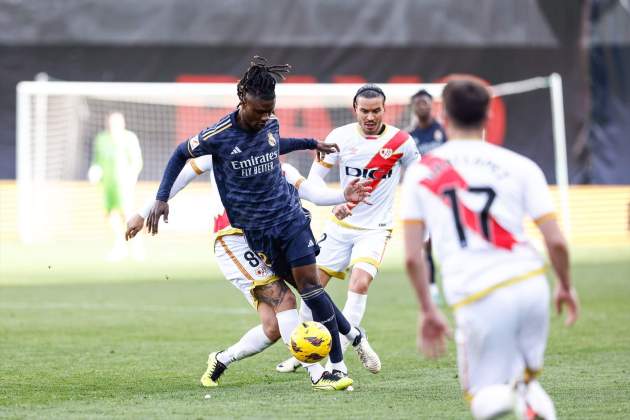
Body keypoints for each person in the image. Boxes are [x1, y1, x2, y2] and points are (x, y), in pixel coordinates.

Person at [145, 56, 380, 390]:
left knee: (311, 289)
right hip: (255, 234)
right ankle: (351, 338)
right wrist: (161, 197)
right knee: (289, 304)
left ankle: (333, 369)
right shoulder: (220, 135)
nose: (265, 117)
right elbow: (181, 153)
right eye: (259, 111)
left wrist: (310, 143)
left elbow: (274, 144)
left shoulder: (269, 122)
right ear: (243, 101)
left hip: (290, 219)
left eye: (270, 110)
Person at [401, 78, 579, 420]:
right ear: (488, 117)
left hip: (477, 293)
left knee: (485, 396)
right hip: (530, 285)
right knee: (525, 383)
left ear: (445, 116)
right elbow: (556, 240)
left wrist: (427, 310)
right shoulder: (520, 165)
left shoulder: (422, 172)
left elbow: (412, 256)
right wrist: (567, 286)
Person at [126, 155, 370, 390]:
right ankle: (319, 376)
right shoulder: (222, 145)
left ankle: (222, 359)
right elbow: (183, 174)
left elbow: (313, 194)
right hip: (232, 238)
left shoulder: (276, 161)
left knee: (274, 326)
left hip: (266, 239)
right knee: (284, 299)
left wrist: (342, 196)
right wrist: (142, 212)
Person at [276, 84, 419, 374]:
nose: (370, 116)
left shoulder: (402, 142)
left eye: (375, 110)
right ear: (355, 109)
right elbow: (315, 179)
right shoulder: (339, 137)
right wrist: (335, 204)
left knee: (360, 283)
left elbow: (420, 179)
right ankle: (305, 352)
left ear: (384, 109)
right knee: (311, 288)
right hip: (340, 226)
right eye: (364, 111)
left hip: (375, 229)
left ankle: (337, 362)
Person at [407, 89, 448, 303]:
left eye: (426, 102)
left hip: (444, 195)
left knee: (446, 240)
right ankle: (432, 286)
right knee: (426, 243)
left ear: (432, 105)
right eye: (418, 102)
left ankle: (450, 281)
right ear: (413, 106)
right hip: (422, 196)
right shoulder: (410, 137)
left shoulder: (443, 132)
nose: (422, 106)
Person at [88, 111, 143, 261]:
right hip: (107, 185)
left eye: (117, 122)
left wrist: (132, 176)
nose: (113, 125)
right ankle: (119, 246)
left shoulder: (129, 138)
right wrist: (95, 171)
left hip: (124, 184)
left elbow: (136, 161)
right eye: (111, 122)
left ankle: (136, 247)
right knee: (111, 215)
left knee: (128, 214)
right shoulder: (101, 139)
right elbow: (97, 160)